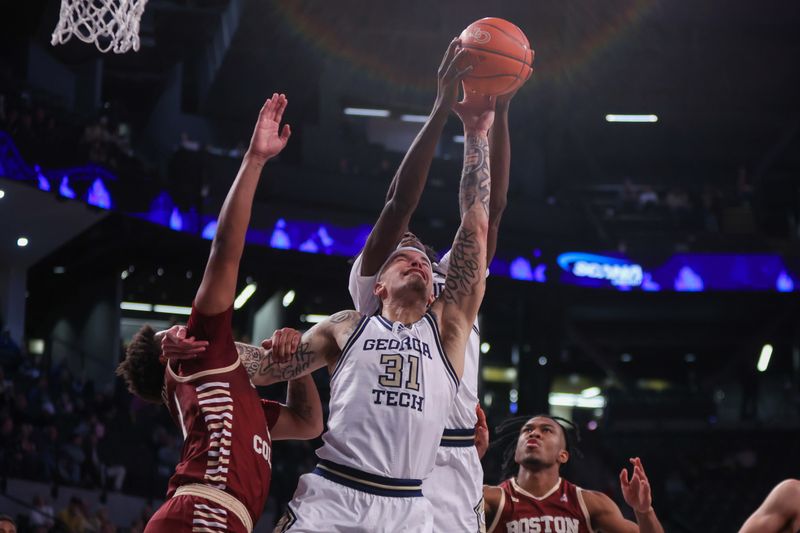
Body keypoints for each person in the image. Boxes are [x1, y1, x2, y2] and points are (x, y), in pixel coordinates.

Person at [116, 94, 323, 533]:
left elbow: (308, 424)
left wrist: (296, 365)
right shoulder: (198, 355)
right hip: (205, 513)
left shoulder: (234, 396)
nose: (182, 327)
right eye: (173, 331)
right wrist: (254, 160)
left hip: (215, 517)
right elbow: (225, 251)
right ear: (170, 358)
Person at [347, 37, 514, 532]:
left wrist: (494, 114)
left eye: (421, 248)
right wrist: (441, 107)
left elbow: (492, 208)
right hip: (387, 453)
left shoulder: (452, 285)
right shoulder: (375, 282)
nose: (414, 248)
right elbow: (399, 204)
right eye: (404, 246)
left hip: (456, 455)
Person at [484, 416, 664, 533]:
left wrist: (644, 510)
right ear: (516, 454)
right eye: (528, 430)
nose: (535, 433)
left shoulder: (589, 503)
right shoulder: (491, 499)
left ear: (563, 455)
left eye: (546, 430)